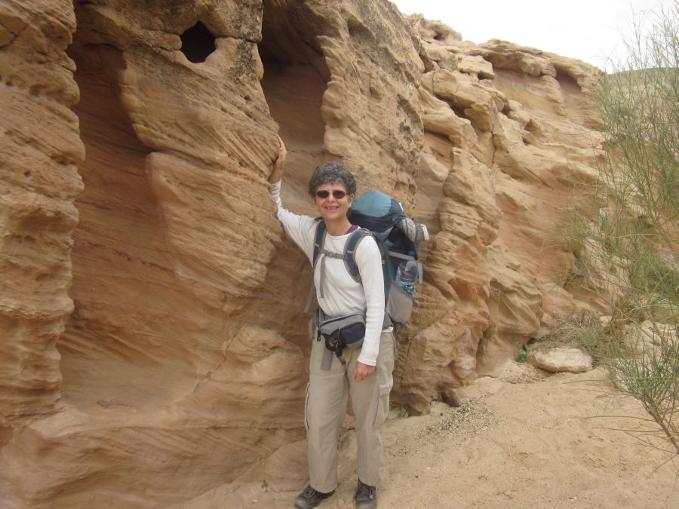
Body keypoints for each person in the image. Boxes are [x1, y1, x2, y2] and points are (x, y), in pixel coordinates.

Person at [269, 136, 395, 509]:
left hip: (368, 342)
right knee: (320, 418)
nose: (330, 200)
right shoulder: (314, 233)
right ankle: (321, 485)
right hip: (328, 342)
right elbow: (276, 209)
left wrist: (370, 356)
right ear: (315, 199)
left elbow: (377, 302)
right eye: (323, 193)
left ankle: (367, 484)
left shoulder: (365, 245)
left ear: (350, 199)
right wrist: (279, 169)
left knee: (369, 419)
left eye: (338, 193)